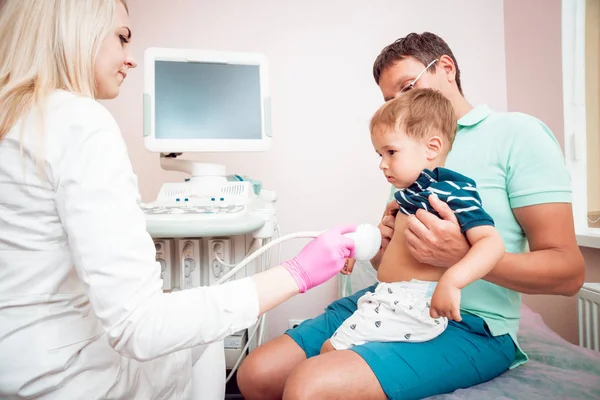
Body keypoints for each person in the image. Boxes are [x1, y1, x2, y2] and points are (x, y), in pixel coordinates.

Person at [0, 1, 356, 399]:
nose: (130, 59)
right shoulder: (78, 121)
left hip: (15, 366)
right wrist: (296, 273)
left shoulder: (15, 118)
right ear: (74, 30)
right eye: (121, 38)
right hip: (63, 380)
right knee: (200, 338)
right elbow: (141, 327)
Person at [237, 32, 585, 400]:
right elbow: (395, 262)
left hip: (468, 322)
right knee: (256, 375)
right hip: (391, 299)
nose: (402, 105)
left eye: (408, 86)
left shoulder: (517, 134)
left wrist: (457, 258)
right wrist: (374, 245)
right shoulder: (404, 151)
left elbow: (569, 273)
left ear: (446, 68)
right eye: (391, 100)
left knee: (312, 385)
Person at [321, 88, 505, 353]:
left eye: (391, 152)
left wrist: (452, 280)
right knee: (330, 351)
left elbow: (492, 244)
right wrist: (357, 248)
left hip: (411, 304)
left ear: (432, 148)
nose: (382, 164)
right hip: (387, 296)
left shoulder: (452, 189)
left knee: (330, 352)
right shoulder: (407, 195)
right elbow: (390, 250)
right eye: (379, 155)